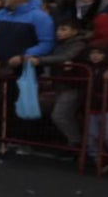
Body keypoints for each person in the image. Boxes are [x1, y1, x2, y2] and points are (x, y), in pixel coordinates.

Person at [27, 18, 89, 149]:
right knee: (51, 111)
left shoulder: (79, 44)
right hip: (59, 84)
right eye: (58, 29)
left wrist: (40, 60)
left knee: (60, 115)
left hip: (71, 85)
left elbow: (65, 57)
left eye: (64, 29)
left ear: (75, 31)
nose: (59, 32)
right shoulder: (59, 44)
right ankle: (66, 140)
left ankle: (75, 142)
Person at [0, 0, 55, 70]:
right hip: (0, 67)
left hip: (28, 69)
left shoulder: (40, 17)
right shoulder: (0, 14)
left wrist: (23, 56)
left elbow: (47, 43)